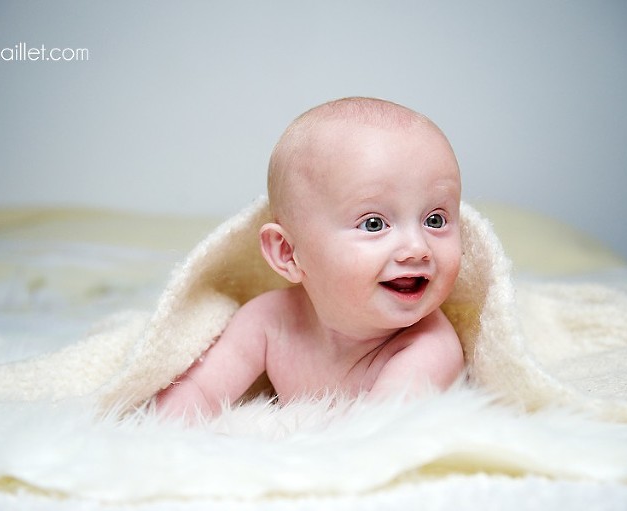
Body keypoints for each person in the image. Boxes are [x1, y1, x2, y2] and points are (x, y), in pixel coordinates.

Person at [157, 97, 464, 419]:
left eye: (435, 220)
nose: (417, 247)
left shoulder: (429, 349)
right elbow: (198, 392)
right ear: (288, 253)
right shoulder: (268, 320)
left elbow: (372, 441)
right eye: (374, 224)